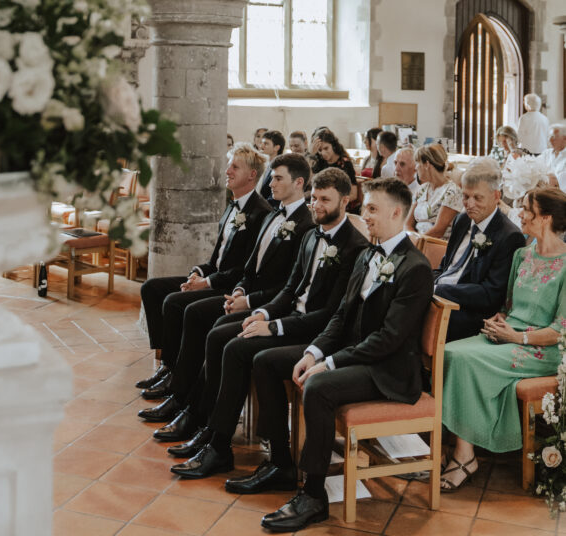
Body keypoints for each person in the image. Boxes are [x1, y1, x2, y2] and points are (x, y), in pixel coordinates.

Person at [251, 178, 433, 531]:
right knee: (267, 361)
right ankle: (280, 463)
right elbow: (341, 315)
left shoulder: (416, 268)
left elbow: (388, 339)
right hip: (359, 356)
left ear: (397, 213)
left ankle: (314, 495)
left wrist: (329, 364)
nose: (364, 215)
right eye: (365, 207)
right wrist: (312, 352)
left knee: (320, 387)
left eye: (373, 209)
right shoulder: (368, 254)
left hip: (388, 370)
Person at [168, 168, 369, 480]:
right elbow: (290, 290)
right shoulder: (311, 235)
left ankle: (224, 447)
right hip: (291, 318)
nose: (316, 205)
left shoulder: (355, 247)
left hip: (316, 332)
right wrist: (262, 314)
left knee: (239, 350)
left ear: (345, 201)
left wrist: (274, 328)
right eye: (314, 198)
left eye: (325, 199)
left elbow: (332, 315)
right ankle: (209, 429)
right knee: (220, 335)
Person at [147, 154, 314, 440]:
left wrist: (249, 302)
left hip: (271, 306)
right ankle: (186, 400)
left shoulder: (305, 227)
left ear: (299, 183)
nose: (270, 183)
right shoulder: (275, 215)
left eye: (277, 178)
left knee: (203, 320)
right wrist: (238, 290)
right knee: (184, 308)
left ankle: (197, 412)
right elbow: (249, 267)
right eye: (271, 177)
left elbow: (289, 286)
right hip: (249, 295)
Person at [440, 186, 566, 492]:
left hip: (543, 349)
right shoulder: (522, 254)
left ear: (546, 218)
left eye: (526, 209)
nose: (519, 214)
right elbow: (508, 306)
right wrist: (500, 320)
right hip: (509, 336)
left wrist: (518, 336)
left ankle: (464, 456)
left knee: (464, 359)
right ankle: (464, 446)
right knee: (450, 351)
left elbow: (560, 331)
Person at [136, 143, 272, 400]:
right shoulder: (232, 206)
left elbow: (244, 269)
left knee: (176, 303)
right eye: (228, 165)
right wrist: (198, 274)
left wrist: (207, 283)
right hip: (215, 277)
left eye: (235, 166)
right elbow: (216, 258)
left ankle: (178, 375)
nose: (227, 171)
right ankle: (168, 363)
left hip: (231, 288)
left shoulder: (260, 213)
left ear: (252, 175)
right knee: (151, 288)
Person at [433, 157, 525, 342]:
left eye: (478, 198)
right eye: (466, 196)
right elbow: (446, 267)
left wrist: (439, 290)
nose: (470, 204)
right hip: (440, 296)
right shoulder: (462, 220)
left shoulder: (509, 236)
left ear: (496, 196)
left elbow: (490, 294)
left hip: (470, 312)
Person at [406, 143, 463, 239]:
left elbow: (438, 231)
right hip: (416, 242)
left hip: (436, 246)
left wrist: (416, 243)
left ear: (427, 164)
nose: (415, 168)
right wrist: (411, 241)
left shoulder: (452, 192)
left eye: (417, 163)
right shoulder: (421, 189)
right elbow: (407, 224)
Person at [311, 128, 357, 198]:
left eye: (326, 148)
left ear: (333, 146)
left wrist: (335, 201)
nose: (323, 153)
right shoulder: (319, 161)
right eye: (320, 150)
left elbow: (353, 195)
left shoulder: (345, 163)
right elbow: (312, 184)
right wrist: (311, 155)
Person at [258, 130, 286, 203]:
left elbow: (275, 197)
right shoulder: (266, 164)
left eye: (266, 144)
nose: (261, 146)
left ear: (276, 148)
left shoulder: (280, 168)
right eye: (262, 143)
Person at [537, 123, 566, 190]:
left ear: (565, 138)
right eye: (549, 137)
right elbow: (534, 166)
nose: (550, 140)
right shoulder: (546, 153)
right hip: (543, 191)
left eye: (554, 137)